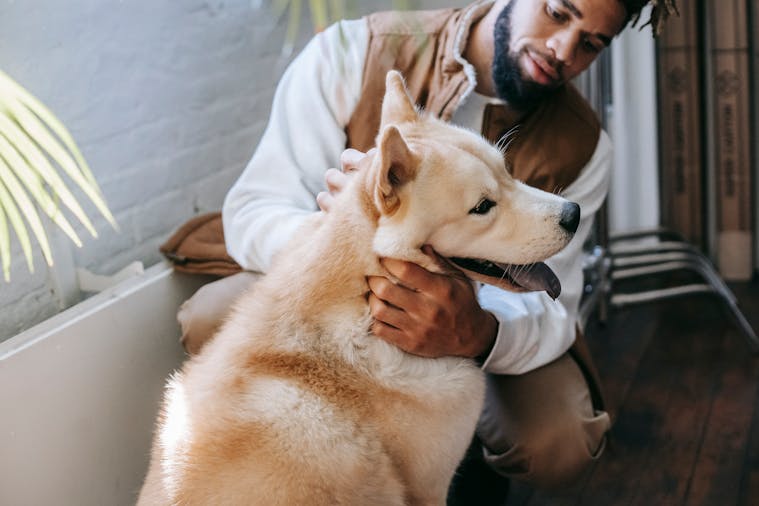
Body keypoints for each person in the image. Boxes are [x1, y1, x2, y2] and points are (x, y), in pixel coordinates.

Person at [172, 0, 677, 503]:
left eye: (591, 43)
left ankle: (456, 463)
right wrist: (350, 234)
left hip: (479, 317)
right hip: (331, 287)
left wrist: (476, 331)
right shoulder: (351, 53)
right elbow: (255, 208)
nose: (562, 49)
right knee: (210, 317)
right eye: (558, 13)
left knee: (559, 442)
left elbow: (552, 306)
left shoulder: (584, 146)